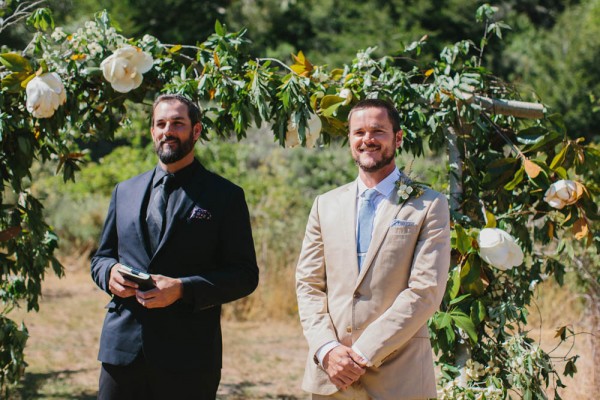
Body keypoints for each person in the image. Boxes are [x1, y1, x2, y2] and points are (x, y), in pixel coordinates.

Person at [91, 94, 259, 400]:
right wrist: (110, 273)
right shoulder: (124, 191)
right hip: (122, 352)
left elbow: (245, 275)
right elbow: (101, 257)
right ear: (153, 131)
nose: (168, 130)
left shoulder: (225, 196)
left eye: (177, 124)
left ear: (196, 131)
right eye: (161, 124)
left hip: (189, 358)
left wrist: (182, 288)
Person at [296, 98, 451, 400]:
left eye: (378, 131)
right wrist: (327, 349)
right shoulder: (325, 205)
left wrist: (362, 353)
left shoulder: (430, 204)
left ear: (398, 138)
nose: (367, 139)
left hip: (399, 377)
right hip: (332, 375)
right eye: (359, 132)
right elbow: (308, 285)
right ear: (350, 140)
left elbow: (425, 291)